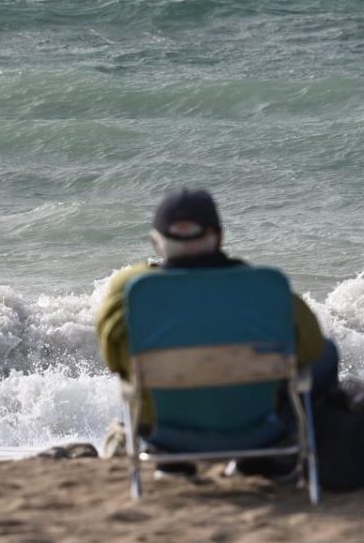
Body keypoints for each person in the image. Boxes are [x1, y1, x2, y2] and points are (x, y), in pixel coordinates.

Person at [95, 188, 339, 476]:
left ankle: (172, 459)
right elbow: (310, 347)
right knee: (327, 355)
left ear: (156, 242)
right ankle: (265, 460)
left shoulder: (130, 289)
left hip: (164, 430)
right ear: (220, 237)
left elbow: (111, 357)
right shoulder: (264, 286)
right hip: (256, 427)